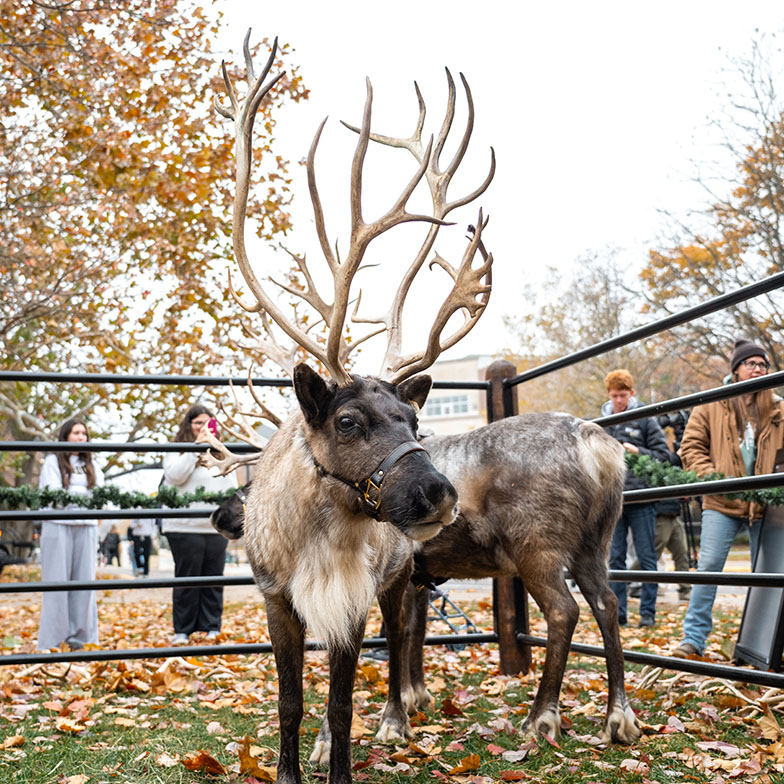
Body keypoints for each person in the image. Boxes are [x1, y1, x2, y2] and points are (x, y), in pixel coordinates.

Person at [674, 338, 784, 657]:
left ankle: (761, 647)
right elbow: (691, 447)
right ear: (736, 369)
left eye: (763, 364)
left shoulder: (777, 406)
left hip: (765, 506)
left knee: (769, 573)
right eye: (751, 364)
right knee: (708, 565)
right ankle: (693, 639)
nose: (758, 369)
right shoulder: (712, 402)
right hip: (721, 503)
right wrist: (712, 478)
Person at [161, 405, 237, 645]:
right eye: (197, 423)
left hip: (215, 526)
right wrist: (196, 449)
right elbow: (175, 476)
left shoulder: (222, 451)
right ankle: (182, 630)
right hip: (183, 526)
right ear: (189, 425)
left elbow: (231, 484)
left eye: (207, 422)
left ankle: (211, 626)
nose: (202, 427)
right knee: (187, 579)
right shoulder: (176, 450)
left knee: (213, 578)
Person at [601, 369, 669, 628]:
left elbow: (664, 455)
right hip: (613, 500)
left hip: (642, 498)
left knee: (646, 556)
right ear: (609, 394)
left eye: (624, 395)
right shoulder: (602, 422)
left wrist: (638, 451)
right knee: (615, 557)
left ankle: (647, 614)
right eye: (615, 396)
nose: (619, 401)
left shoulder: (645, 420)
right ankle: (618, 613)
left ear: (632, 394)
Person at [36, 418, 105, 650]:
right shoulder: (52, 461)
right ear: (65, 436)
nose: (80, 437)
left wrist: (82, 504)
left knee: (84, 585)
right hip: (57, 526)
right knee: (56, 584)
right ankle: (53, 641)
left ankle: (82, 638)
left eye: (84, 433)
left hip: (85, 527)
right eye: (76, 433)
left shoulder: (92, 465)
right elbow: (54, 495)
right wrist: (82, 500)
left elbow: (100, 494)